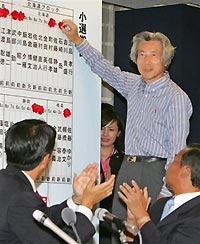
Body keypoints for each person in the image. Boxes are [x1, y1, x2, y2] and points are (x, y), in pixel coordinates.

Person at [60, 20, 193, 237]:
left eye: (153, 55)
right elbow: (104, 68)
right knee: (120, 230)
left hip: (156, 171)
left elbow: (177, 150)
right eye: (141, 54)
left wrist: (166, 192)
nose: (146, 61)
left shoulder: (176, 97)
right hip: (128, 167)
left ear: (166, 60)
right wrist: (77, 39)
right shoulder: (133, 84)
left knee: (148, 233)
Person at [0, 119, 115, 243]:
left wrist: (77, 200)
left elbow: (42, 219)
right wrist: (87, 204)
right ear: (46, 159)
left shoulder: (7, 182)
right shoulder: (21, 198)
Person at [118, 144, 200, 244]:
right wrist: (132, 224)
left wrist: (141, 216)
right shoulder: (160, 205)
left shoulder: (196, 216)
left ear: (186, 171)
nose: (168, 165)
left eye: (174, 161)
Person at [99, 103, 124, 243]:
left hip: (114, 221)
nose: (105, 134)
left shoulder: (125, 161)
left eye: (111, 129)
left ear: (118, 132)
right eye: (101, 128)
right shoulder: (85, 155)